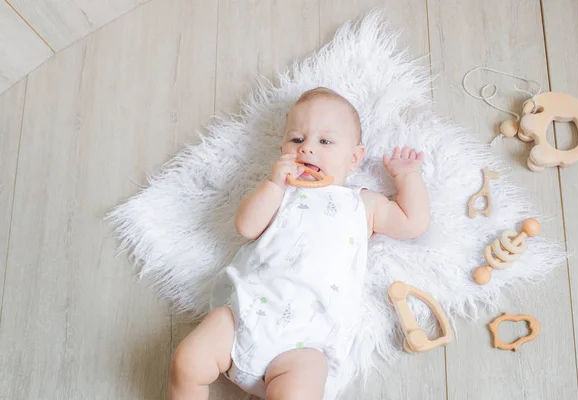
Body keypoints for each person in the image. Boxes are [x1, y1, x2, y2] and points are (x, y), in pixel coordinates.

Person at [169, 87, 430, 400]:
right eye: (297, 139)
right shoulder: (281, 193)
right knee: (187, 362)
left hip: (307, 339)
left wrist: (407, 177)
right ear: (282, 148)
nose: (307, 149)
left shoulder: (361, 204)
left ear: (354, 158)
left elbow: (412, 222)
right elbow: (246, 227)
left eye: (324, 141)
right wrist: (272, 184)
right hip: (246, 312)